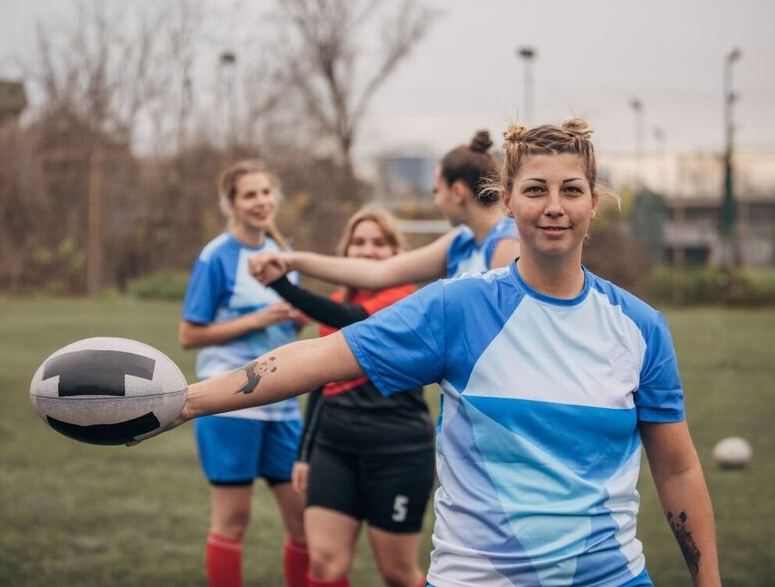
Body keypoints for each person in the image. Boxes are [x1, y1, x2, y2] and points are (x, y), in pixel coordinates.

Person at [156, 119, 721, 587]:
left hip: (610, 576)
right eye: (535, 190)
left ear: (594, 202)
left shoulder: (641, 327)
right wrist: (184, 401)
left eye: (571, 190)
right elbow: (315, 359)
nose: (554, 206)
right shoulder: (456, 307)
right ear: (505, 202)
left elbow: (677, 466)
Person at [261, 206, 435, 587]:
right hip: (334, 448)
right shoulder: (338, 300)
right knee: (324, 562)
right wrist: (305, 453)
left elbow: (352, 317)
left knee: (398, 574)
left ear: (395, 253)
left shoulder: (404, 297)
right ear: (345, 250)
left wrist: (282, 283)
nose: (368, 250)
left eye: (379, 243)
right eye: (359, 242)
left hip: (398, 455)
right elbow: (320, 383)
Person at [179, 159, 308, 587]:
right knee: (233, 520)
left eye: (266, 192)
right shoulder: (216, 256)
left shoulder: (284, 251)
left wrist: (293, 320)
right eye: (249, 194)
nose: (261, 202)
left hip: (284, 405)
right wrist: (257, 319)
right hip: (231, 405)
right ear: (229, 204)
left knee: (304, 521)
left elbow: (287, 323)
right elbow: (188, 334)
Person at [248, 131, 519, 289]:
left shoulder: (506, 246)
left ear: (458, 192)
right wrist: (293, 261)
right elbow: (379, 273)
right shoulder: (461, 241)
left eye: (437, 191)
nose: (436, 201)